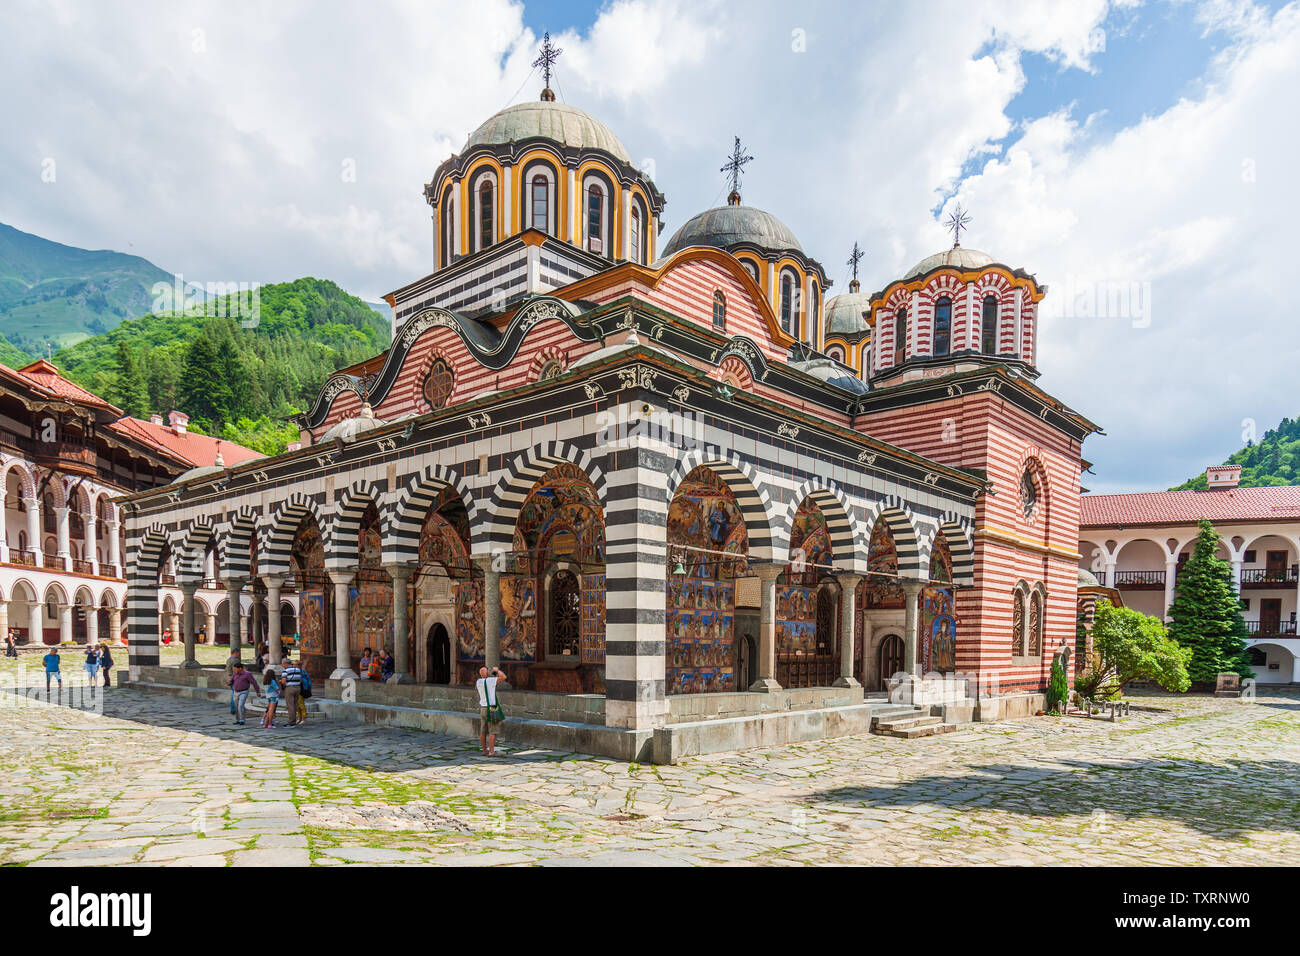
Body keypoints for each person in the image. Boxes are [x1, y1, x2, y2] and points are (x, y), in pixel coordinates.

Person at [476, 665, 506, 756]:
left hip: (483, 708)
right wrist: (497, 671)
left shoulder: (478, 682)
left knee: (483, 731)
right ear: (487, 673)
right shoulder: (490, 681)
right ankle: (491, 751)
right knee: (492, 730)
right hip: (491, 708)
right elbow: (504, 677)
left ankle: (484, 750)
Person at [281, 657, 304, 728]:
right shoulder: (297, 669)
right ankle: (294, 720)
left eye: (282, 664)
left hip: (289, 689)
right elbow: (300, 680)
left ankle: (291, 722)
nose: (282, 665)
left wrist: (281, 682)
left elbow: (283, 681)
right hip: (297, 688)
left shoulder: (285, 671)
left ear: (285, 663)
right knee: (295, 705)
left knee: (290, 706)